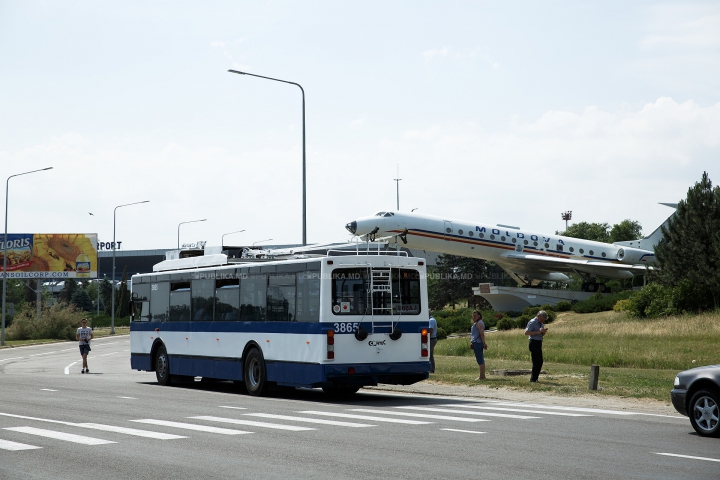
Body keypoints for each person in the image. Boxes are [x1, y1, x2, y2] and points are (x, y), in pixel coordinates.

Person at [524, 310, 549, 382]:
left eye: (543, 320)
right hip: (533, 342)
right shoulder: (532, 322)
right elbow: (526, 332)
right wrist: (538, 331)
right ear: (538, 316)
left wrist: (543, 332)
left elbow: (541, 335)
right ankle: (533, 379)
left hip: (539, 342)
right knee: (536, 361)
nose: (542, 321)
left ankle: (535, 378)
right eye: (541, 319)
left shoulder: (541, 323)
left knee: (539, 361)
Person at [470, 310, 488, 380]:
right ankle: (482, 375)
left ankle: (482, 376)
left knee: (480, 360)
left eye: (475, 315)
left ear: (479, 316)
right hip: (475, 342)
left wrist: (484, 343)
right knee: (479, 359)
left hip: (478, 343)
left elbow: (481, 334)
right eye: (473, 316)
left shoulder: (479, 323)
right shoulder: (477, 323)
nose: (473, 317)